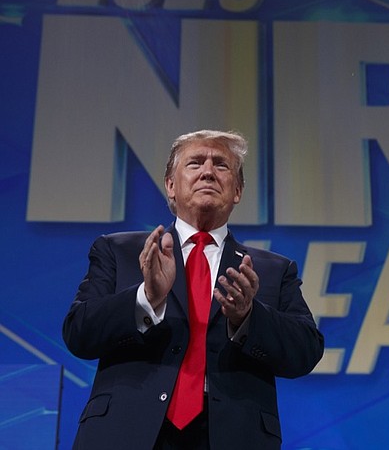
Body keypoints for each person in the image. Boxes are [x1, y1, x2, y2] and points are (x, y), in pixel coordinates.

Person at [63, 130, 324, 449]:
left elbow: (306, 352)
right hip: (128, 432)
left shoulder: (270, 270)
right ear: (170, 186)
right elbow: (79, 333)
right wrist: (146, 299)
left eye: (221, 165)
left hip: (231, 437)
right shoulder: (120, 251)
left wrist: (248, 317)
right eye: (195, 162)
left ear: (238, 190)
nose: (208, 171)